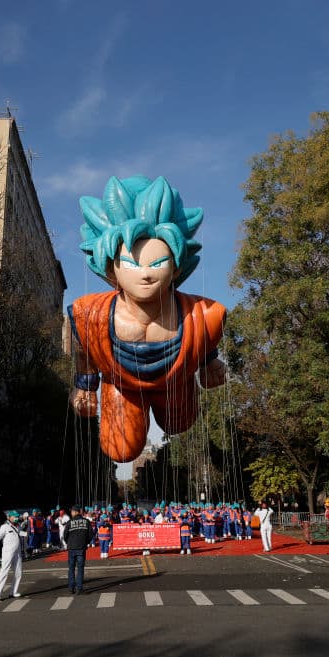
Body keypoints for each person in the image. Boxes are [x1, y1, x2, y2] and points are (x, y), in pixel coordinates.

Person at [68, 176, 226, 463]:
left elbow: (201, 332)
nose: (145, 273)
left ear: (176, 268)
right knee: (121, 448)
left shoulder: (205, 314)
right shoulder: (90, 315)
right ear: (111, 270)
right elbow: (86, 350)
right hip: (120, 384)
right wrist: (85, 385)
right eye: (131, 263)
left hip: (176, 381)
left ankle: (174, 392)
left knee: (180, 422)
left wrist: (209, 361)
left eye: (158, 263)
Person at [0, 511, 22, 600]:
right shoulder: (4, 527)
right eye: (15, 517)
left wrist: (25, 531)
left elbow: (21, 536)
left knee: (18, 573)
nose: (16, 518)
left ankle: (13, 592)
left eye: (17, 517)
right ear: (9, 517)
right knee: (4, 572)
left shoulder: (17, 526)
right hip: (7, 553)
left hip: (17, 553)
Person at [63, 505, 92, 595]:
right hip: (81, 548)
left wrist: (69, 543)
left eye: (72, 511)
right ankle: (79, 588)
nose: (71, 513)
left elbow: (65, 535)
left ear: (75, 512)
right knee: (80, 569)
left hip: (71, 548)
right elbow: (90, 535)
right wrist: (85, 542)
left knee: (71, 568)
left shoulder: (69, 522)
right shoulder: (86, 522)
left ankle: (71, 588)